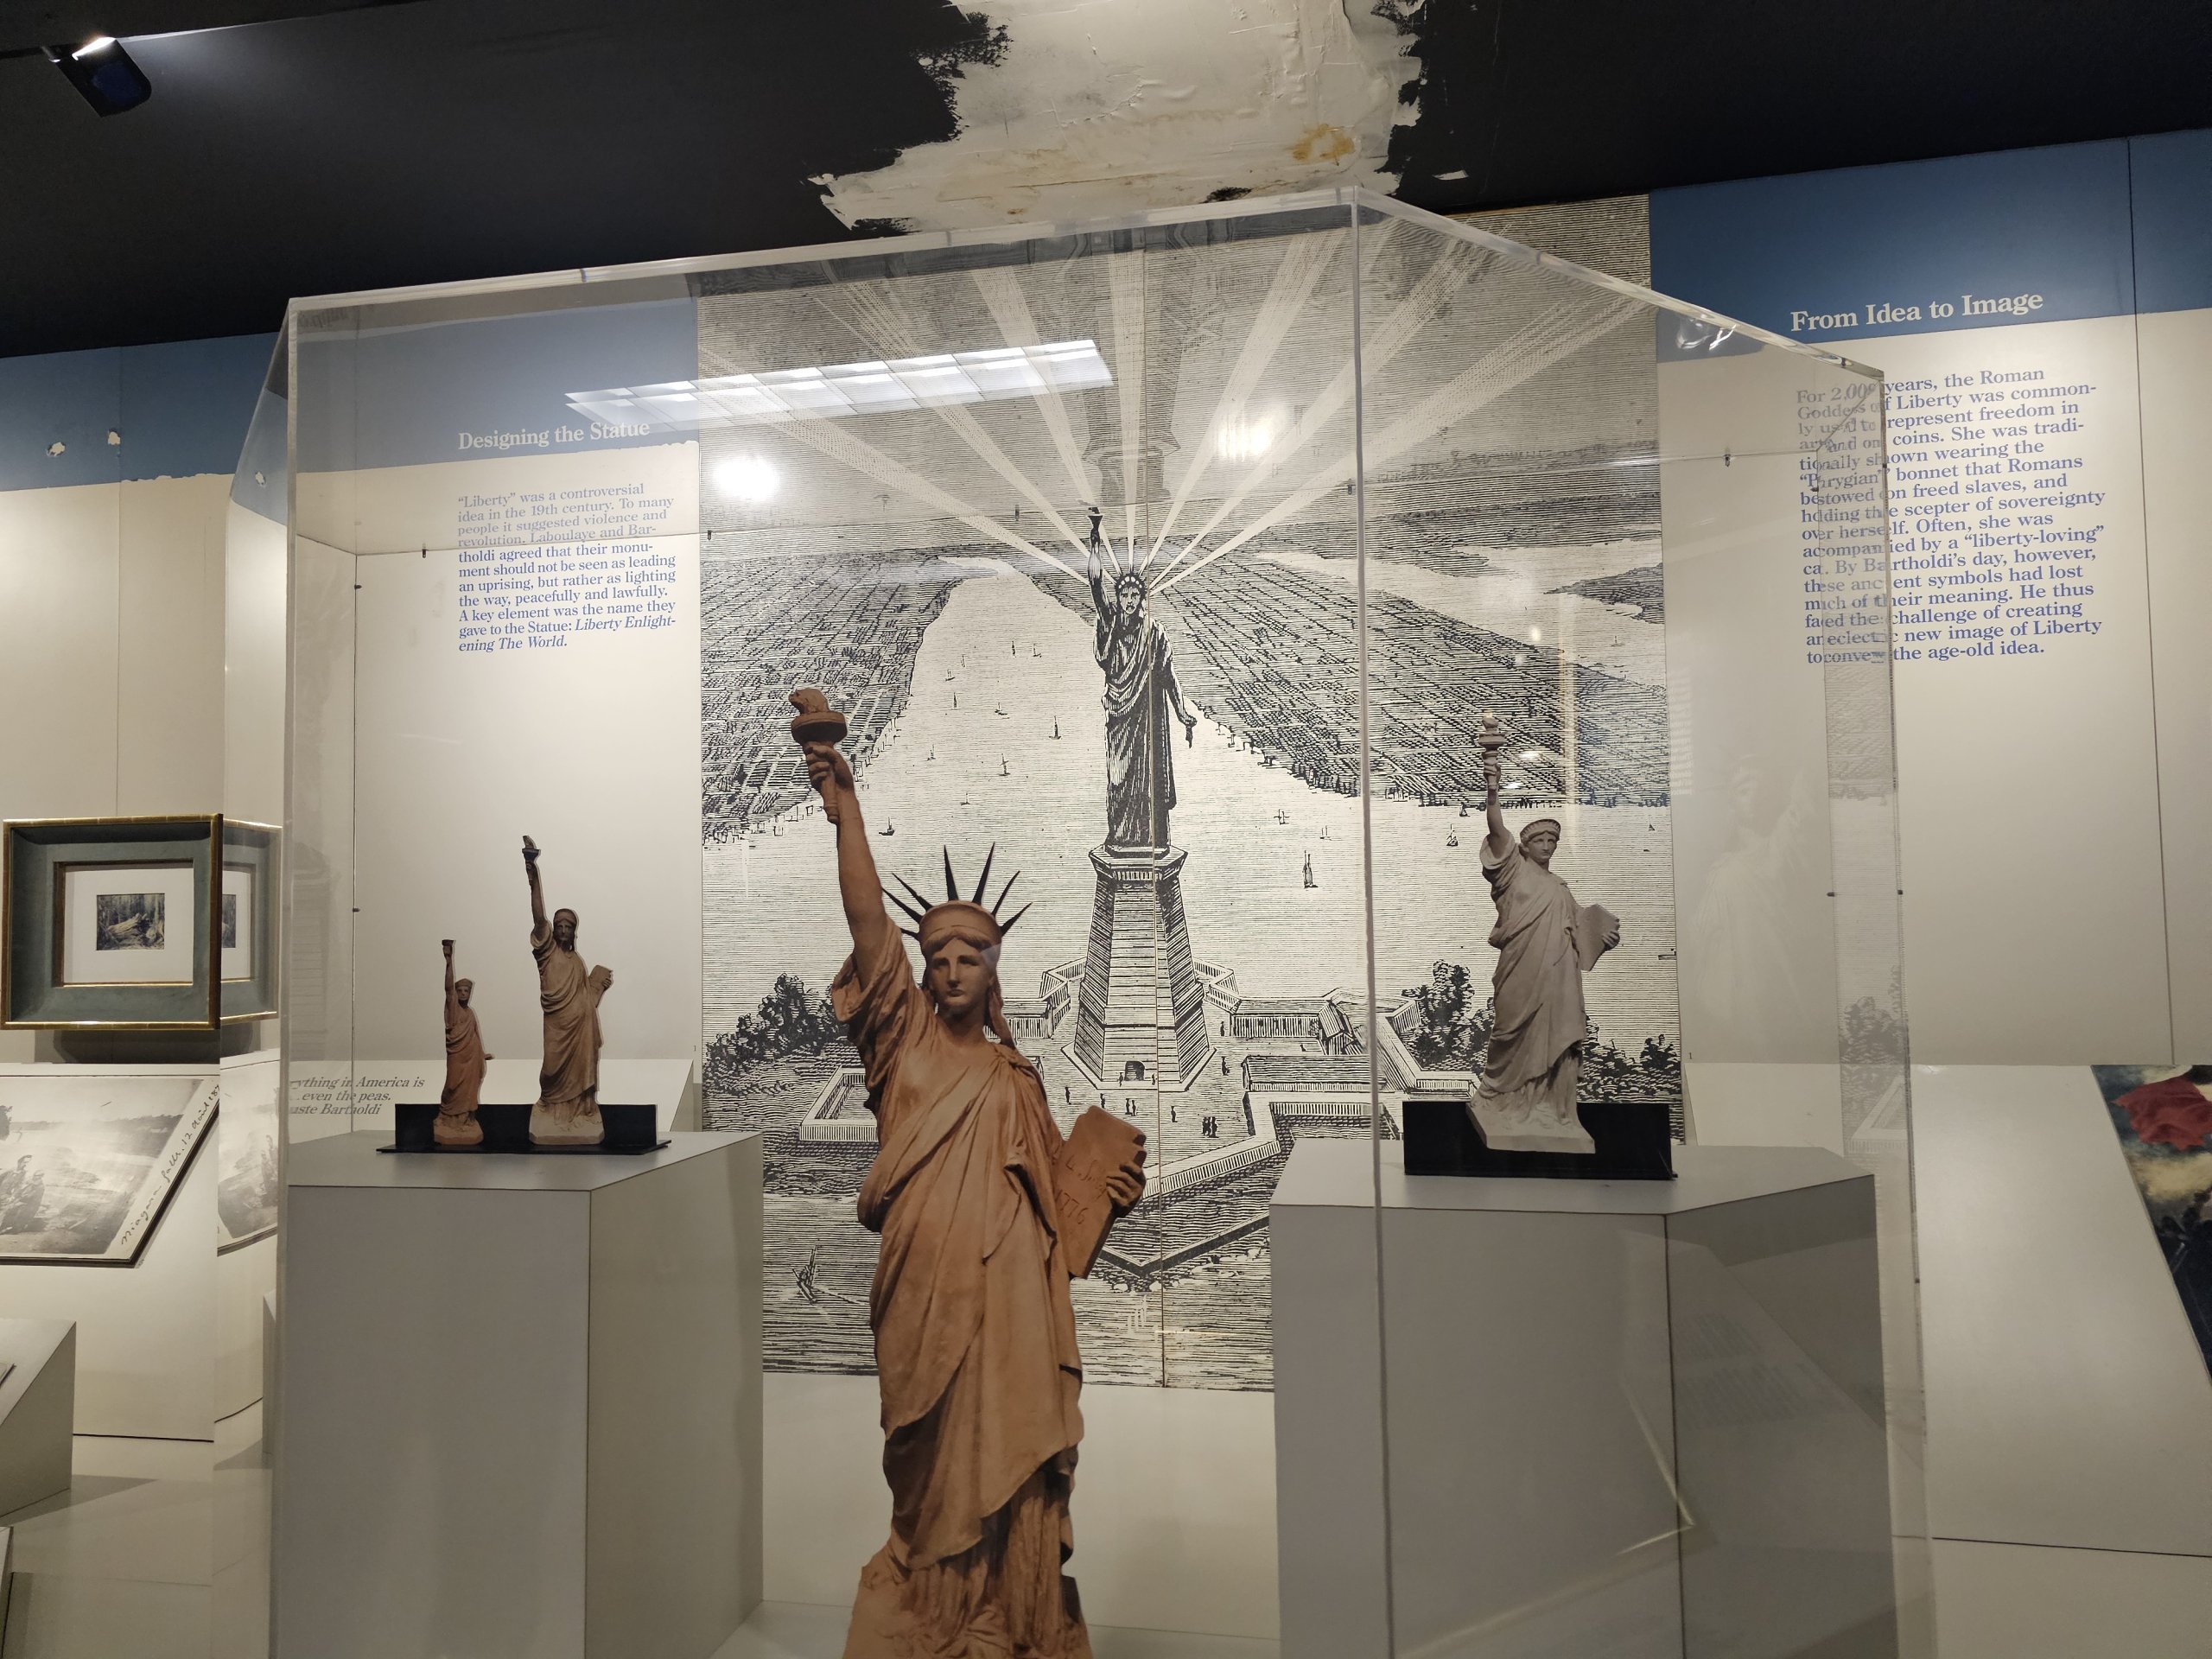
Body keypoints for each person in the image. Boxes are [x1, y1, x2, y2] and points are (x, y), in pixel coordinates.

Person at [800, 715, 1143, 1659]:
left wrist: (1106, 1191)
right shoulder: (900, 1040)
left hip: (1009, 1300)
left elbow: (1055, 1210)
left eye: (970, 957)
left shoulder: (1013, 1076)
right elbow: (867, 923)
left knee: (1011, 1442)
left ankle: (1005, 1607)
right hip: (922, 1284)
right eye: (938, 958)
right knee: (923, 1451)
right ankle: (931, 1605)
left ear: (995, 972)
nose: (951, 970)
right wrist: (846, 811)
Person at [1476, 752, 1618, 1146]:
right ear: (1524, 846)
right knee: (1511, 1031)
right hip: (1520, 968)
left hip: (1559, 974)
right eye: (1539, 840)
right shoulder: (1512, 870)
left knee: (1560, 1033)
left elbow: (1582, 931)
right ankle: (1503, 1100)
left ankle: (1551, 1108)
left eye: (1552, 840)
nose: (1547, 846)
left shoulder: (1560, 887)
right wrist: (1492, 789)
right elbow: (1496, 828)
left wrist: (1604, 938)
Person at [1086, 507, 1197, 850]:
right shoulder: (1111, 625)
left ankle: (1150, 837)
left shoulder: (1155, 633)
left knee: (1148, 780)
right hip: (1119, 716)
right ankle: (1121, 836)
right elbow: (1095, 584)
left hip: (1147, 716)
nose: (1129, 601)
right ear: (1118, 599)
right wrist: (1094, 542)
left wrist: (1182, 712)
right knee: (1119, 778)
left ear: (1142, 599)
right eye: (1124, 596)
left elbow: (1169, 676)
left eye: (1135, 596)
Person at [522, 838, 613, 1144]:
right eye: (559, 925)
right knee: (551, 1070)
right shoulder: (546, 952)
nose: (562, 930)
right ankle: (551, 1109)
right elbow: (539, 916)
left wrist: (598, 984)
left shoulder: (577, 961)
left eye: (567, 927)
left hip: (581, 1028)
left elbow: (585, 998)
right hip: (558, 1026)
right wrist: (532, 872)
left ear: (574, 932)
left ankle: (579, 1112)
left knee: (582, 1069)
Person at [438, 940, 491, 1147]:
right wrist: (449, 960)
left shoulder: (470, 1013)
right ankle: (446, 1118)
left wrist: (482, 1054)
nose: (462, 994)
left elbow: (476, 1035)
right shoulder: (453, 1008)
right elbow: (448, 988)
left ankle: (465, 1119)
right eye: (460, 991)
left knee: (469, 1089)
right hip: (457, 1056)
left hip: (472, 1058)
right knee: (452, 1085)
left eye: (466, 991)